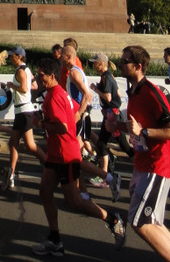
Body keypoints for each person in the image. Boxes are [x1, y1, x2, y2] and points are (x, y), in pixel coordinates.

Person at [31, 57, 126, 257]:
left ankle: (113, 220)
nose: (38, 79)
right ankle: (54, 240)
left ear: (51, 76)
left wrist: (41, 124)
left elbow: (62, 127)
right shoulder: (59, 94)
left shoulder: (55, 95)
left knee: (75, 202)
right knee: (45, 192)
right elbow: (74, 112)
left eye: (41, 76)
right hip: (57, 153)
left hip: (65, 156)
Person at [115, 45, 170, 262]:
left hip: (158, 165)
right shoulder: (134, 91)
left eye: (125, 61)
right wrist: (116, 125)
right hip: (144, 164)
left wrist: (143, 131)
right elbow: (138, 128)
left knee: (139, 222)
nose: (120, 64)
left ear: (137, 66)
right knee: (152, 221)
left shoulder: (151, 92)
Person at [0, 46, 45, 191]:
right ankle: (11, 173)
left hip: (24, 112)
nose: (10, 58)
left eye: (12, 55)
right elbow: (35, 85)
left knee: (30, 145)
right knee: (13, 142)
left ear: (19, 56)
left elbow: (25, 88)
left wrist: (12, 85)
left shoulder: (20, 71)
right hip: (22, 111)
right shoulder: (26, 70)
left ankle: (50, 166)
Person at [88, 52, 134, 180]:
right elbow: (118, 94)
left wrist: (95, 89)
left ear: (101, 64)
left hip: (111, 115)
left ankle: (104, 175)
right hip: (112, 113)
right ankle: (106, 171)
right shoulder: (110, 76)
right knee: (115, 143)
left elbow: (108, 97)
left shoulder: (106, 77)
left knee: (104, 144)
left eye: (95, 63)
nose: (93, 66)